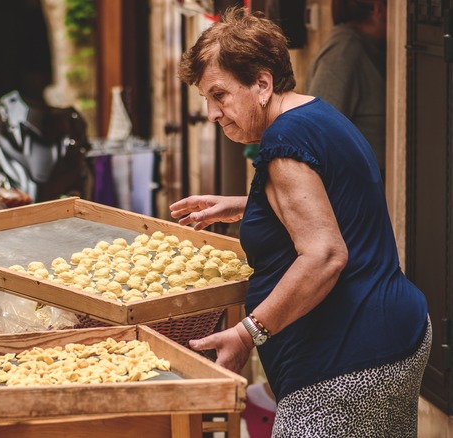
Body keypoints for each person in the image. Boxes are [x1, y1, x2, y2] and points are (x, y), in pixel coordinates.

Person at [170, 8, 429, 436]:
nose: (214, 113)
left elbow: (325, 255)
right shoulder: (315, 114)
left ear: (262, 83)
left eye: (220, 95)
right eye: (206, 100)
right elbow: (333, 199)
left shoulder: (284, 142)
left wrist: (248, 332)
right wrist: (243, 205)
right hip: (396, 336)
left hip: (346, 363)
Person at [305, 0, 387, 178]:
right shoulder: (343, 52)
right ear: (377, 8)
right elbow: (319, 133)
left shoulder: (368, 46)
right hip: (360, 187)